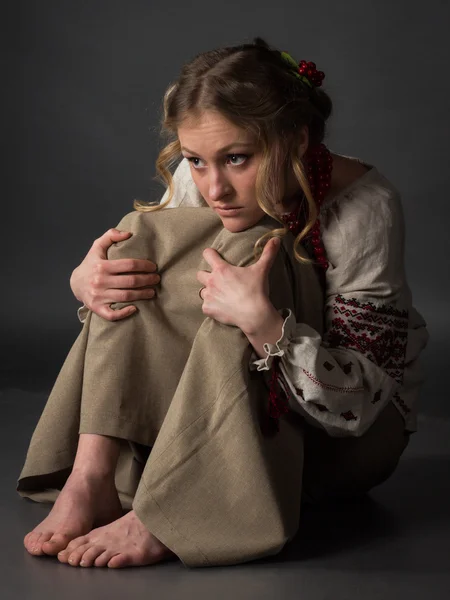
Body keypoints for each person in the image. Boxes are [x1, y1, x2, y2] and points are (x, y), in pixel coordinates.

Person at [17, 37, 428, 569]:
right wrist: (88, 282)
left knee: (248, 250)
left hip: (341, 443)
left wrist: (266, 323)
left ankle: (166, 512)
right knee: (138, 234)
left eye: (237, 158)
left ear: (297, 139)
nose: (214, 187)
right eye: (194, 159)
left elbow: (360, 407)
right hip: (235, 419)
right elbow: (158, 303)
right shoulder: (203, 179)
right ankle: (91, 475)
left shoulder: (367, 205)